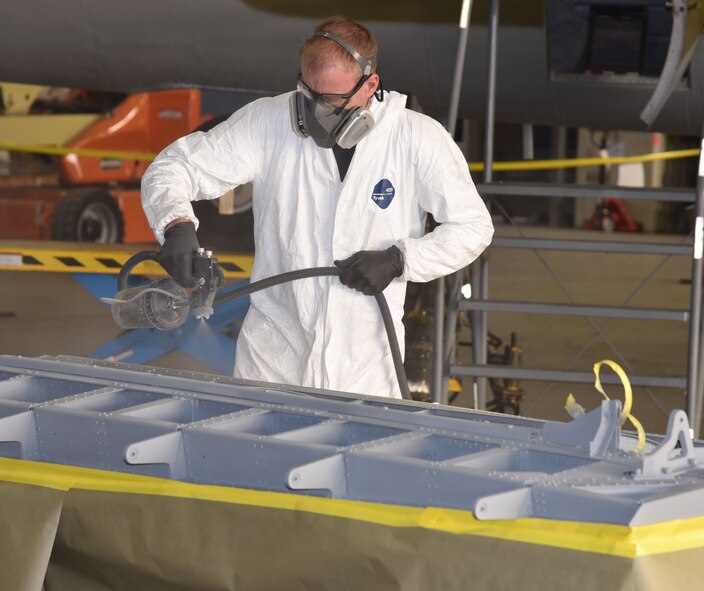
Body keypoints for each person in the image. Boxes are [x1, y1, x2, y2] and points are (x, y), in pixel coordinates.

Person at [141, 16, 494, 398]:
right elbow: (174, 167)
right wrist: (176, 225)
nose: (314, 113)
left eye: (331, 101)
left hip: (367, 372)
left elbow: (472, 227)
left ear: (370, 84)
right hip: (271, 367)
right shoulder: (269, 123)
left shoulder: (416, 139)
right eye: (307, 95)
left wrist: (400, 260)